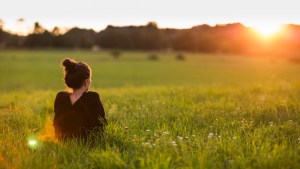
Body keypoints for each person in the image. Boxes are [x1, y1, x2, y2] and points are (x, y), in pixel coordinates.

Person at [53, 58, 107, 139]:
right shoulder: (92, 98)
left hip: (63, 143)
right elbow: (100, 125)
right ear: (86, 82)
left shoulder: (60, 97)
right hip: (88, 144)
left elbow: (56, 123)